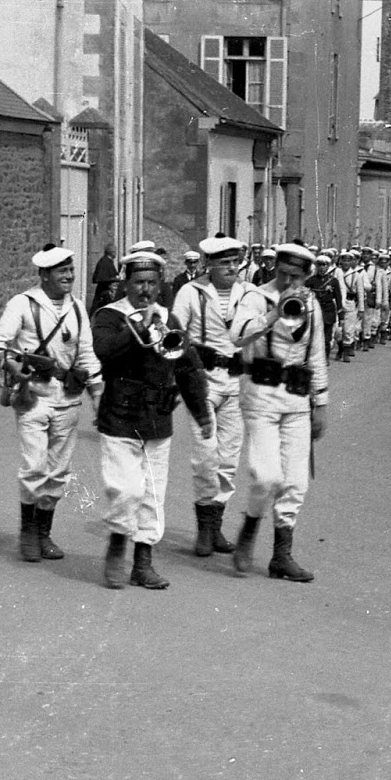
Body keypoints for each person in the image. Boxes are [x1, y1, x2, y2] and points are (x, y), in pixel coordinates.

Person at [92, 249, 212, 590]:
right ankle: (118, 544)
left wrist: (201, 413)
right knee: (126, 490)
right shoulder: (109, 316)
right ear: (127, 284)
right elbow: (103, 353)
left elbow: (187, 367)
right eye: (139, 283)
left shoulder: (169, 319)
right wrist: (138, 329)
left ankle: (142, 563)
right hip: (120, 415)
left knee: (153, 495)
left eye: (152, 283)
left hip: (157, 418)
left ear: (160, 284)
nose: (146, 290)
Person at [0, 245, 102, 563]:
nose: (69, 275)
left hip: (68, 398)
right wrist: (11, 364)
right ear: (44, 275)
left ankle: (43, 533)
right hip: (32, 396)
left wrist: (97, 394)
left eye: (70, 269)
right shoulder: (22, 304)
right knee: (34, 466)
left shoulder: (78, 308)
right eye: (61, 271)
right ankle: (27, 533)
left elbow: (88, 354)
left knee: (58, 472)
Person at [229, 242, 331, 581]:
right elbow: (237, 337)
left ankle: (281, 556)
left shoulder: (312, 304)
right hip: (261, 394)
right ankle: (250, 525)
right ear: (276, 269)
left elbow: (316, 354)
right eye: (284, 274)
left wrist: (321, 403)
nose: (289, 283)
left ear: (307, 275)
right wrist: (274, 313)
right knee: (266, 475)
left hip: (297, 398)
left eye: (297, 277)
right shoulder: (255, 297)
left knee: (295, 482)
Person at [171, 236, 253, 557]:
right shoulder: (191, 292)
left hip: (237, 381)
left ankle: (216, 527)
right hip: (202, 380)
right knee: (206, 456)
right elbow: (175, 332)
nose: (231, 268)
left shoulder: (249, 293)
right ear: (208, 264)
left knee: (229, 459)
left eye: (235, 262)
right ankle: (203, 529)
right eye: (223, 262)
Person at [307, 252, 345, 358]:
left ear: (328, 266)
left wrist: (341, 316)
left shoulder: (333, 281)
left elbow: (338, 298)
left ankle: (325, 356)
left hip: (328, 310)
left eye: (324, 265)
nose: (322, 268)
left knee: (327, 336)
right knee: (314, 335)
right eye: (319, 265)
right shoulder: (311, 281)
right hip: (315, 310)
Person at [89, 243, 119, 313]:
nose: (116, 253)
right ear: (112, 252)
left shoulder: (108, 261)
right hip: (104, 294)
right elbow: (102, 278)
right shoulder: (105, 262)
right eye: (115, 251)